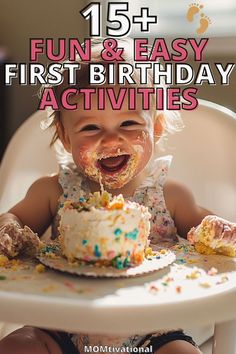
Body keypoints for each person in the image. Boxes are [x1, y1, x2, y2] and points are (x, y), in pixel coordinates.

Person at [0, 38, 235, 354]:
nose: (111, 139)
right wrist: (7, 228)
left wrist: (220, 230)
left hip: (150, 331)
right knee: (16, 347)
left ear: (158, 127)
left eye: (128, 122)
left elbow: (209, 231)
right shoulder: (53, 190)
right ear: (66, 137)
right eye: (90, 129)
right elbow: (12, 221)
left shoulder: (169, 196)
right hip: (60, 326)